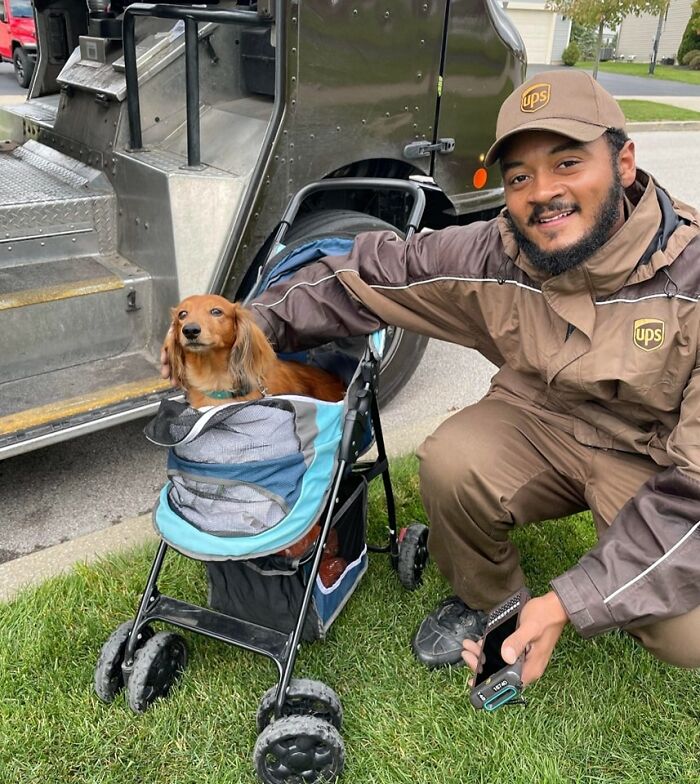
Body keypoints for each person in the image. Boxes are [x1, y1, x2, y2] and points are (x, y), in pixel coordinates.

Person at [162, 70, 700, 685]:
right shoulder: (495, 254)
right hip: (539, 419)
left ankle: (589, 598)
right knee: (450, 459)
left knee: (687, 630)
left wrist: (567, 603)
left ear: (624, 161)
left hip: (650, 456)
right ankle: (488, 600)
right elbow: (365, 275)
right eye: (519, 176)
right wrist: (243, 329)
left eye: (568, 162)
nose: (542, 192)